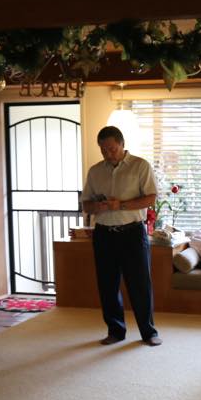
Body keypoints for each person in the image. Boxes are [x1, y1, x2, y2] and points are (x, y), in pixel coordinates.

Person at [82, 126, 162, 346]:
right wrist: (96, 206)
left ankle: (149, 332)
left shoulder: (140, 166)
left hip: (132, 232)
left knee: (140, 284)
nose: (108, 154)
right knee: (107, 285)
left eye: (112, 149)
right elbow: (86, 204)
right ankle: (115, 331)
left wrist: (122, 205)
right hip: (104, 234)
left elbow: (151, 198)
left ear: (122, 144)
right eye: (103, 150)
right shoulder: (95, 171)